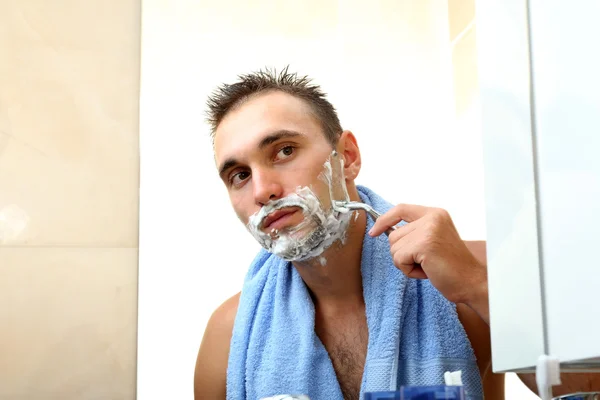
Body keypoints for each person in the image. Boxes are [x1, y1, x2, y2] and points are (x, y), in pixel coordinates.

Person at [194, 67, 599, 400]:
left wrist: (475, 285)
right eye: (239, 175)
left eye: (284, 150)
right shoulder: (229, 333)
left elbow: (588, 389)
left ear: (347, 158)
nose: (262, 189)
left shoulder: (472, 273)